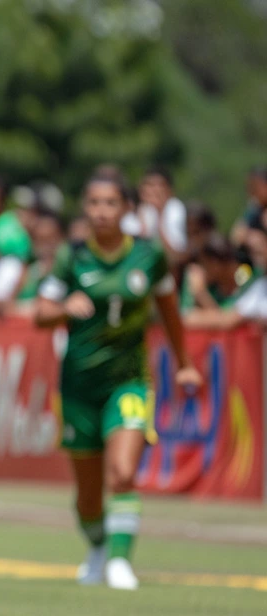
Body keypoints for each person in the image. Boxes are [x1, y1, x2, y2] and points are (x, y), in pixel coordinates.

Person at [35, 173, 201, 591]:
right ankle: (96, 547)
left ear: (127, 209)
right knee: (88, 495)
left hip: (128, 381)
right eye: (93, 203)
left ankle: (120, 562)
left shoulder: (148, 256)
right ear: (84, 209)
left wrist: (184, 362)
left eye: (111, 203)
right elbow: (39, 313)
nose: (102, 211)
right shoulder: (70, 258)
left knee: (123, 472)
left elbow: (169, 311)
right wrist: (62, 309)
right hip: (78, 387)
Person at [181, 236, 267, 329]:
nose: (203, 270)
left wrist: (201, 294)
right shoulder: (212, 287)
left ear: (215, 263)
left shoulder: (249, 276)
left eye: (204, 264)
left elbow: (227, 320)